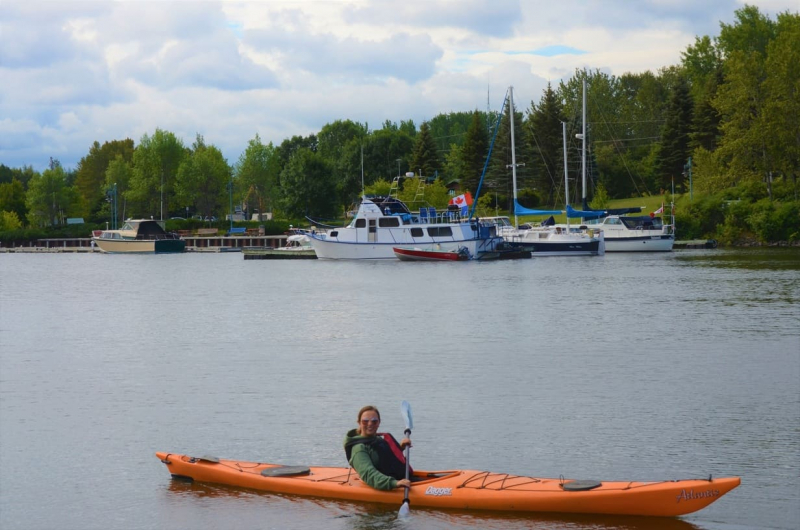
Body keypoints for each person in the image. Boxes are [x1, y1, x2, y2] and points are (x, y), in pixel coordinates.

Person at [343, 405, 412, 491]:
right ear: (359, 423)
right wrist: (394, 483)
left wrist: (401, 447)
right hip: (389, 484)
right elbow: (369, 474)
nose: (370, 424)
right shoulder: (358, 449)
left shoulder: (378, 439)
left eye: (374, 421)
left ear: (379, 423)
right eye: (365, 421)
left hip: (401, 478)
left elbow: (386, 457)